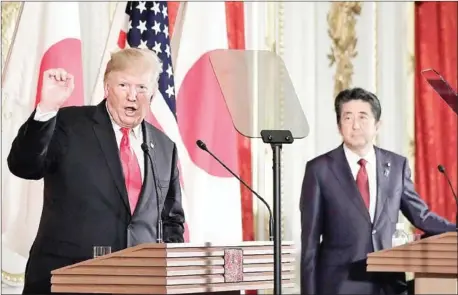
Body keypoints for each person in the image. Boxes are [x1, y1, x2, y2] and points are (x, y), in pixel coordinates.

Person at [7, 48, 185, 294]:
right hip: (69, 279)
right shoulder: (69, 124)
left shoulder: (165, 147)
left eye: (142, 88)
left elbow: (172, 220)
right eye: (123, 85)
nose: (133, 96)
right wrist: (47, 107)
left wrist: (167, 273)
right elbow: (24, 166)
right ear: (107, 87)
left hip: (139, 284)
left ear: (153, 92)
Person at [299, 88, 455, 295]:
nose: (355, 125)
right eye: (347, 117)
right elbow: (309, 243)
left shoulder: (397, 165)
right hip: (339, 284)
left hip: (388, 283)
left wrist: (455, 230)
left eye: (363, 117)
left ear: (377, 125)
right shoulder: (319, 169)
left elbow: (422, 216)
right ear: (339, 126)